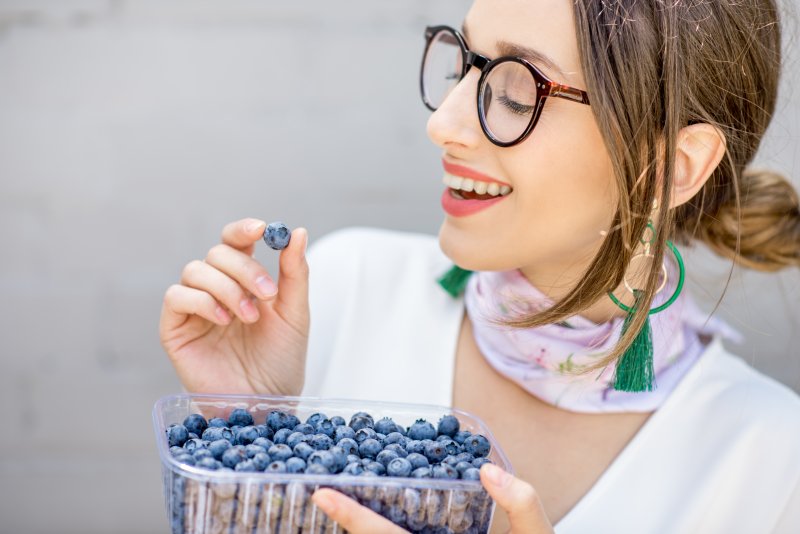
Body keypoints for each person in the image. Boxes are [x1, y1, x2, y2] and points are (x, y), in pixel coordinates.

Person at [159, 0, 800, 532]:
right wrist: (246, 435)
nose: (444, 122)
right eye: (465, 64)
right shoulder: (342, 293)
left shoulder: (770, 462)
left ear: (670, 167)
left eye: (518, 91)